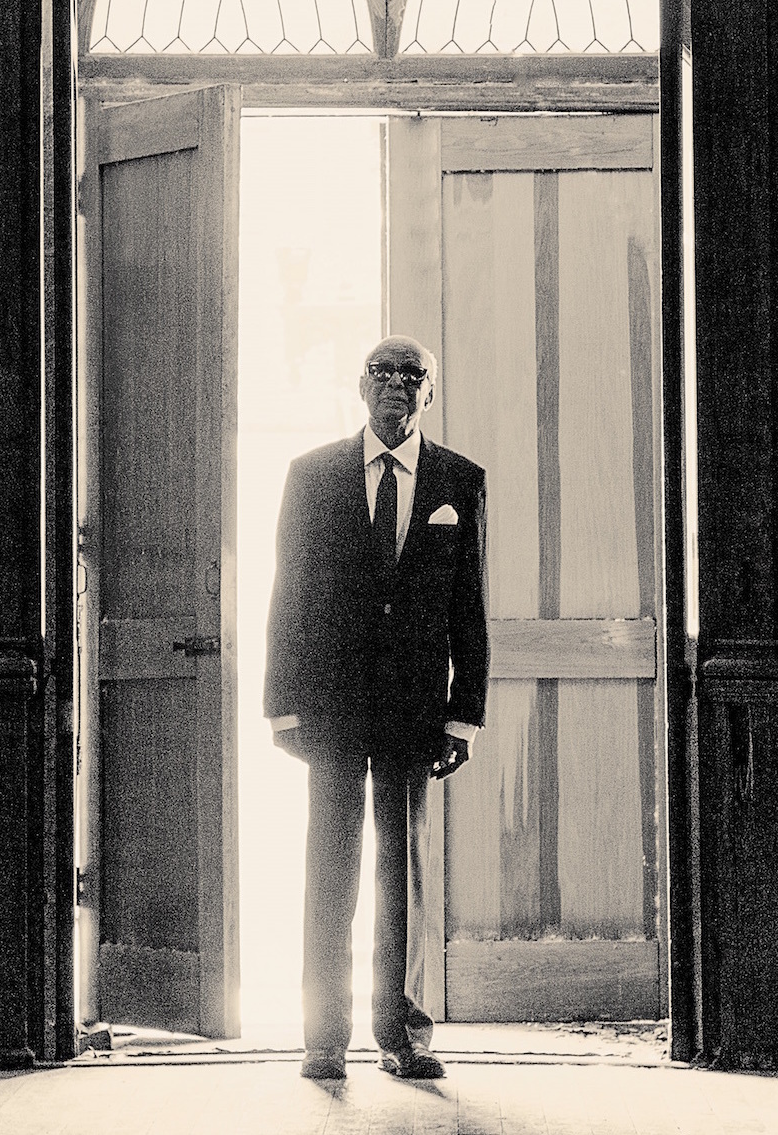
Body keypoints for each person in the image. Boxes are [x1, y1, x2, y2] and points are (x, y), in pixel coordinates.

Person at [263, 335, 488, 1082]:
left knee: (404, 873)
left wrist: (464, 713)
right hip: (330, 705)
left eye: (411, 373)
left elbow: (470, 606)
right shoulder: (312, 474)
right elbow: (288, 593)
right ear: (361, 387)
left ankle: (404, 1035)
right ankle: (323, 1039)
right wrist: (281, 704)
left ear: (430, 392)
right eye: (381, 372)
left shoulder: (460, 479)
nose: (396, 382)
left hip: (415, 710)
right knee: (330, 869)